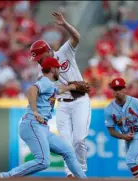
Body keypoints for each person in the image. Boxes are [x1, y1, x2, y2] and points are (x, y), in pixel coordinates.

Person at [0, 57, 87, 178]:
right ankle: (7, 176)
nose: (59, 71)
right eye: (58, 69)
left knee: (68, 151)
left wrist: (71, 87)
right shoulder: (45, 82)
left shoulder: (49, 85)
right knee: (43, 161)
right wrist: (35, 111)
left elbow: (56, 90)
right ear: (53, 69)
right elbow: (32, 90)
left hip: (42, 127)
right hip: (33, 124)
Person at [29, 11, 91, 177]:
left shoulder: (63, 53)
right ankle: (70, 174)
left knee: (78, 140)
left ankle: (82, 170)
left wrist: (65, 25)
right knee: (66, 143)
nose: (39, 61)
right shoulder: (40, 72)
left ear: (47, 52)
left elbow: (76, 38)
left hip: (80, 101)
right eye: (37, 60)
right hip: (62, 104)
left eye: (40, 58)